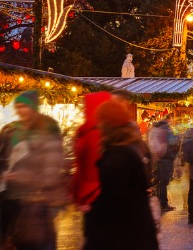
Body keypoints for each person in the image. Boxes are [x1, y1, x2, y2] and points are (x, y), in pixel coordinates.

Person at [84, 100, 159, 250]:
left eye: (100, 121)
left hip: (124, 234)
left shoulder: (117, 156)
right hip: (138, 230)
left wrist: (92, 215)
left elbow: (113, 201)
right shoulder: (135, 147)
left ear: (107, 124)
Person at [0, 90, 66, 249]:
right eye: (18, 106)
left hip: (34, 198)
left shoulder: (47, 129)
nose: (20, 110)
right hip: (8, 195)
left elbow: (51, 168)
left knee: (34, 239)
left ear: (34, 107)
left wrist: (21, 176)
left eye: (24, 106)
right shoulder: (10, 130)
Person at [70, 91, 112, 239]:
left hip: (91, 195)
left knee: (94, 236)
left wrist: (76, 194)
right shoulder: (114, 132)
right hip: (108, 194)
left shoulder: (86, 132)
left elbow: (82, 167)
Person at [148, 114, 179, 212]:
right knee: (164, 182)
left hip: (156, 158)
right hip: (166, 157)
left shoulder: (153, 129)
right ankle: (164, 203)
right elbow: (173, 141)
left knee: (158, 180)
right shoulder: (167, 129)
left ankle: (157, 200)